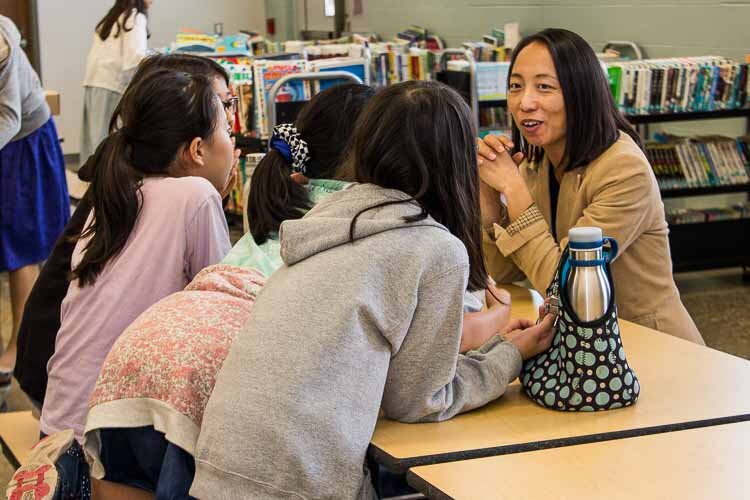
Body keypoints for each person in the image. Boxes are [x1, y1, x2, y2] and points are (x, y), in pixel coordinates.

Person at [191, 80, 555, 499]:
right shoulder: (433, 249)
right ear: (458, 165)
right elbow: (421, 402)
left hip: (217, 472)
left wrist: (496, 349)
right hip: (299, 485)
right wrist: (509, 358)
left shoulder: (327, 219)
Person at [13, 53, 238, 410]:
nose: (231, 123)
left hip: (59, 406)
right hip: (101, 431)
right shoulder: (193, 196)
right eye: (225, 112)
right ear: (195, 147)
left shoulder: (120, 186)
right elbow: (219, 316)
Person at [476, 28, 703, 344]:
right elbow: (502, 274)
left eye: (544, 87)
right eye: (516, 86)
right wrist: (490, 203)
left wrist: (513, 188)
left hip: (649, 342)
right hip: (583, 345)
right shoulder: (536, 160)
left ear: (580, 93)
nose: (524, 102)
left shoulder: (624, 168)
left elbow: (566, 286)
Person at [0, 15, 69, 404]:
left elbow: (9, 116)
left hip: (23, 142)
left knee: (19, 247)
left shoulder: (1, 40)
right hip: (8, 141)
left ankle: (18, 348)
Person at [79, 0, 151, 169]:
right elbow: (135, 58)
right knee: (108, 145)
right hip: (111, 86)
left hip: (95, 84)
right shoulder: (134, 16)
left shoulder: (114, 17)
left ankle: (93, 185)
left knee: (95, 142)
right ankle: (105, 189)